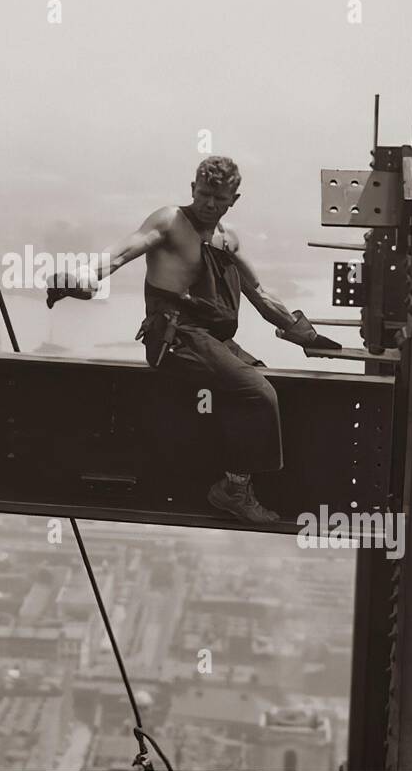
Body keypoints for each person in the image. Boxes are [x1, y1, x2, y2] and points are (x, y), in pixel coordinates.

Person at [47, 156, 337, 523]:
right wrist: (87, 276)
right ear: (192, 189)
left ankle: (233, 470)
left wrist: (306, 335)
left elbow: (261, 295)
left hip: (211, 341)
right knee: (258, 392)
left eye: (219, 197)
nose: (210, 204)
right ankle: (233, 489)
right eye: (203, 194)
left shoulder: (227, 240)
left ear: (235, 199)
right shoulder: (170, 222)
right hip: (176, 338)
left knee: (271, 382)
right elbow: (123, 252)